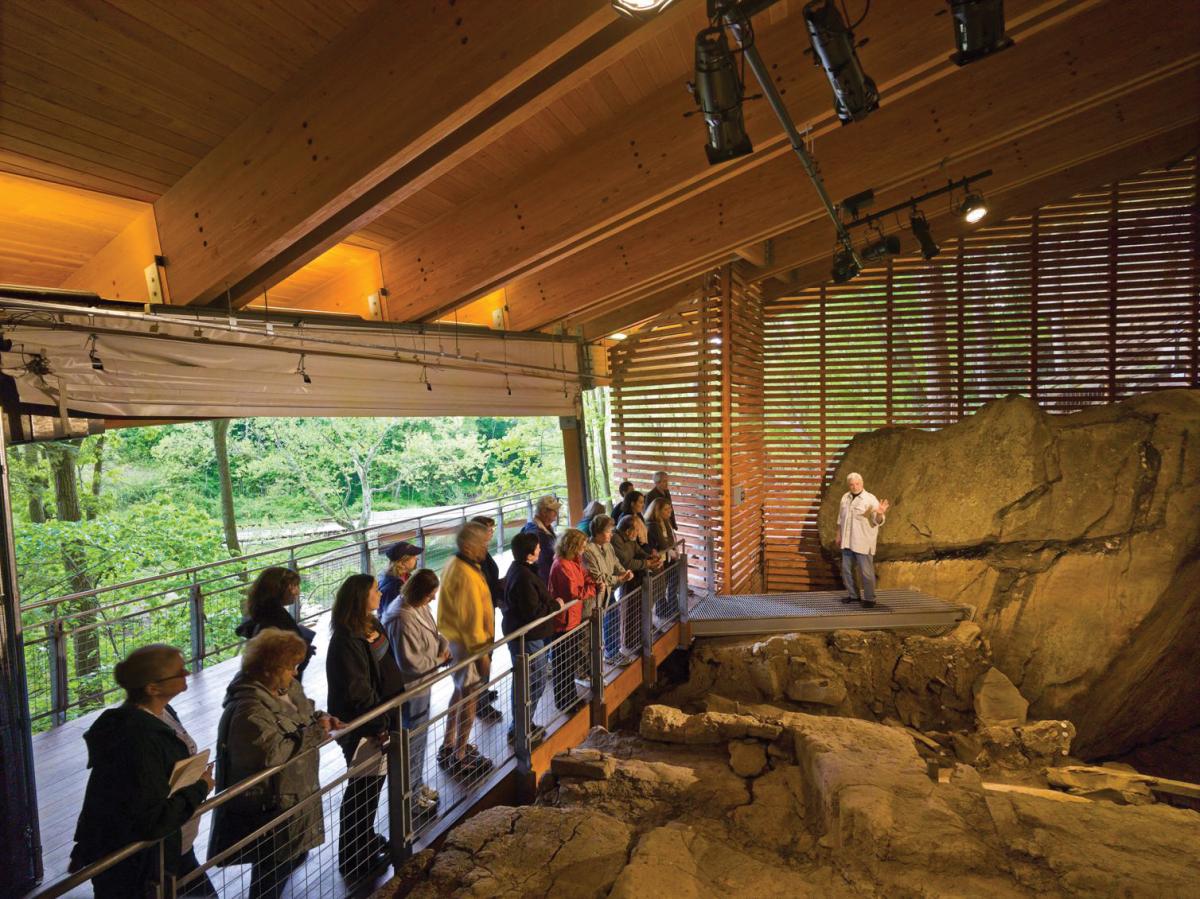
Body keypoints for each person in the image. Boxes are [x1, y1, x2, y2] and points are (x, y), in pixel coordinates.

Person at [70, 645, 216, 899]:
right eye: (178, 671)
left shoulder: (163, 714)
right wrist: (201, 787)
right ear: (152, 688)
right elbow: (151, 819)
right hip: (145, 862)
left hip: (174, 846)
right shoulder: (136, 739)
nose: (187, 672)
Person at [208, 629, 339, 899]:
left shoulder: (285, 687)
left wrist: (321, 718)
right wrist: (316, 732)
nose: (295, 673)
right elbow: (273, 755)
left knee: (288, 861)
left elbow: (302, 717)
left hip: (297, 792)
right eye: (291, 666)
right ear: (271, 668)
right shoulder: (249, 709)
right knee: (270, 876)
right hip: (273, 806)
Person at [326, 574, 405, 880]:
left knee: (373, 787)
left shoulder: (372, 625)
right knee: (362, 791)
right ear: (361, 597)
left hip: (384, 718)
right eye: (374, 590)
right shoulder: (346, 640)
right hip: (365, 727)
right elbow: (357, 691)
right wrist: (380, 722)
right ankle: (353, 857)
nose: (379, 593)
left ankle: (366, 840)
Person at [382, 568, 450, 822]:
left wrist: (443, 646)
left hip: (424, 682)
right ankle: (408, 797)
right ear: (419, 592)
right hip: (412, 687)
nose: (433, 600)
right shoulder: (400, 617)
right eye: (431, 595)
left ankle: (417, 782)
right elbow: (409, 661)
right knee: (413, 741)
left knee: (420, 739)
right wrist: (439, 657)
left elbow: (433, 632)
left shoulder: (417, 607)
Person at [435, 521, 496, 780]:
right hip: (468, 646)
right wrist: (483, 655)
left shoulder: (454, 564)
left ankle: (450, 742)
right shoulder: (466, 574)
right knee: (469, 697)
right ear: (469, 546)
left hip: (457, 642)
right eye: (483, 543)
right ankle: (459, 753)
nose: (486, 547)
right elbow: (471, 620)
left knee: (460, 693)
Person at [501, 531, 564, 746]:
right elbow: (532, 612)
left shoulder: (522, 570)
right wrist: (555, 605)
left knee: (531, 680)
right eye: (537, 548)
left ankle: (524, 724)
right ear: (529, 553)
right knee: (531, 681)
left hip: (532, 635)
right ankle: (520, 728)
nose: (540, 550)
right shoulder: (523, 576)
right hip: (528, 637)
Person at [547, 528, 596, 714]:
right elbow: (574, 593)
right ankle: (563, 701)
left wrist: (590, 582)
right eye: (582, 546)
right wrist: (591, 588)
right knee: (563, 664)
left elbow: (585, 576)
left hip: (573, 618)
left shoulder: (573, 561)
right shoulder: (561, 565)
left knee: (570, 661)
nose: (584, 549)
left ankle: (571, 696)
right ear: (573, 545)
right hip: (564, 622)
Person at [236, 566, 316, 678]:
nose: (297, 592)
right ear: (280, 589)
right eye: (294, 586)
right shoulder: (276, 618)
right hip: (278, 681)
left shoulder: (260, 611)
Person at [582, 515, 633, 662]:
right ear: (597, 532)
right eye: (608, 531)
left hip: (609, 591)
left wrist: (624, 571)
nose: (611, 534)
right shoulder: (588, 551)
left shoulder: (608, 545)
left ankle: (612, 652)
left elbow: (615, 562)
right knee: (596, 629)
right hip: (596, 595)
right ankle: (595, 663)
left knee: (613, 620)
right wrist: (619, 578)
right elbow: (597, 576)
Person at [836, 471, 890, 609]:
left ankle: (870, 599)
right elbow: (840, 518)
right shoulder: (845, 497)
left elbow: (878, 521)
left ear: (862, 483)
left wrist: (879, 514)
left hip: (863, 542)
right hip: (847, 541)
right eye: (852, 484)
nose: (854, 486)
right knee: (846, 570)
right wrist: (838, 535)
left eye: (857, 483)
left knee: (866, 572)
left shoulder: (870, 499)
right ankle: (853, 596)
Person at [611, 514, 663, 655]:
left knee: (639, 610)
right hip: (625, 581)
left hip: (634, 578)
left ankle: (638, 640)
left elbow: (639, 551)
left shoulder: (630, 539)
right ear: (628, 531)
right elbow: (626, 562)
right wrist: (647, 563)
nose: (639, 534)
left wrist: (650, 557)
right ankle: (629, 644)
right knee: (629, 612)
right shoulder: (616, 539)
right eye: (637, 530)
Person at [469, 515, 504, 723]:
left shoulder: (481, 552)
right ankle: (480, 704)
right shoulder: (472, 556)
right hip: (478, 617)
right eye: (489, 530)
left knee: (487, 656)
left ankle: (483, 693)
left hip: (488, 611)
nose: (492, 533)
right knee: (481, 658)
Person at [520, 494, 561, 583]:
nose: (557, 513)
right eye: (554, 511)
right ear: (544, 512)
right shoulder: (535, 533)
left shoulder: (546, 528)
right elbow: (541, 567)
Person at [376, 541, 422, 614]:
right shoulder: (394, 586)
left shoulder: (405, 576)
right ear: (402, 562)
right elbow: (392, 615)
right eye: (413, 557)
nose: (416, 559)